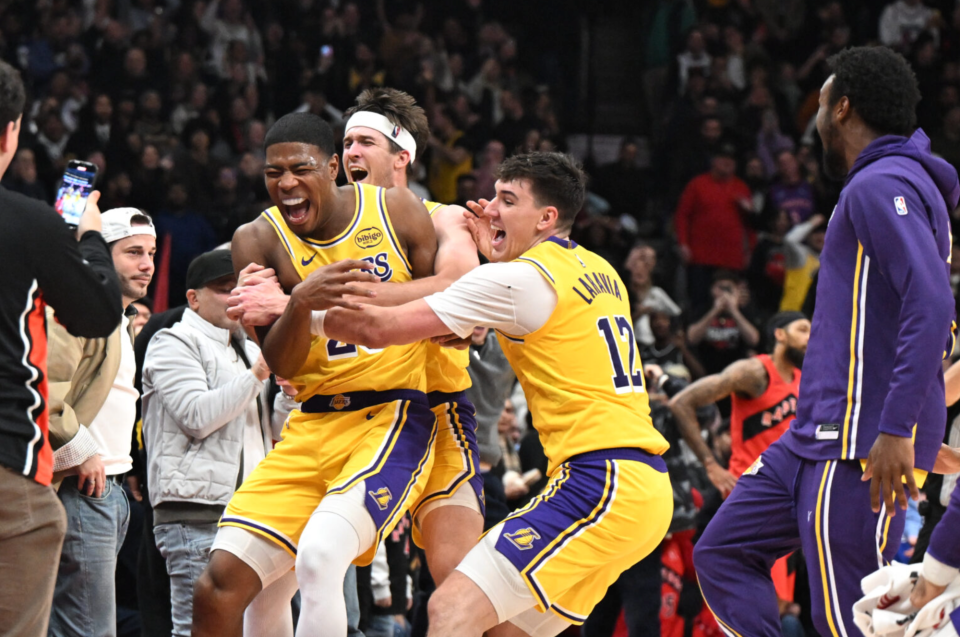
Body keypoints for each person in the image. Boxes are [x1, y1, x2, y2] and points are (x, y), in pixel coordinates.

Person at [310, 151, 673, 637]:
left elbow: (377, 328)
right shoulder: (601, 270)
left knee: (449, 609)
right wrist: (492, 266)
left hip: (598, 482)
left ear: (545, 217)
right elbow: (532, 329)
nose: (488, 209)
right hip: (642, 487)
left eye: (508, 200)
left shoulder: (519, 279)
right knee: (499, 630)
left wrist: (295, 309)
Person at [694, 46, 959, 637]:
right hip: (814, 434)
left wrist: (899, 428)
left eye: (818, 103)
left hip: (859, 438)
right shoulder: (887, 183)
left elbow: (934, 305)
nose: (813, 116)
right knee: (722, 552)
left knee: (849, 618)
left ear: (841, 108)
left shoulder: (881, 183)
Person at [191, 112, 439, 637]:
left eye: (299, 169)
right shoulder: (257, 238)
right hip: (309, 423)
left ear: (331, 167)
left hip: (391, 416)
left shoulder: (395, 209)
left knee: (320, 556)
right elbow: (282, 365)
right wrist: (300, 301)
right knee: (218, 586)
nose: (286, 184)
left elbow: (447, 299)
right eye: (273, 173)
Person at [230, 87, 486, 589]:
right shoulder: (304, 225)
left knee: (453, 577)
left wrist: (298, 303)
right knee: (294, 572)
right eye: (346, 143)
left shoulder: (441, 215)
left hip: (438, 407)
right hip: (350, 416)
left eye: (365, 142)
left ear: (402, 155)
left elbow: (460, 290)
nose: (351, 153)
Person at [0, 59, 122, 637]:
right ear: (11, 132)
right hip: (9, 469)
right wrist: (90, 235)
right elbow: (97, 313)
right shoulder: (29, 225)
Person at [141, 250, 277, 637]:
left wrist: (289, 394)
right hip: (196, 510)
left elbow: (274, 429)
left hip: (251, 510)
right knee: (197, 630)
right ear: (194, 297)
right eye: (224, 289)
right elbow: (197, 417)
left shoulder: (249, 349)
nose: (235, 297)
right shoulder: (173, 341)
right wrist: (259, 373)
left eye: (240, 289)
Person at [46, 208, 156, 637]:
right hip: (79, 486)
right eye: (133, 252)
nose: (147, 264)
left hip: (108, 487)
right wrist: (80, 450)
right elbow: (45, 390)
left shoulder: (123, 322)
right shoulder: (78, 312)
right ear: (99, 254)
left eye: (150, 253)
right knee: (90, 631)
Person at [674, 143, 753, 311]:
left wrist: (749, 250)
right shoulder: (697, 184)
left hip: (731, 259)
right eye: (723, 158)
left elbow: (750, 224)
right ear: (713, 160)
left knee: (732, 305)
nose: (727, 162)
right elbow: (682, 216)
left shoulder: (741, 187)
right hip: (701, 257)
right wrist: (683, 243)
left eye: (731, 159)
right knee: (699, 303)